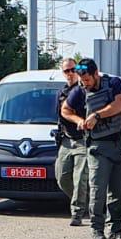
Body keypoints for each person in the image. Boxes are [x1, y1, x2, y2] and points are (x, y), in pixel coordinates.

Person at [62, 58, 121, 239]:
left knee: (118, 191)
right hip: (97, 147)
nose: (85, 83)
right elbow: (65, 109)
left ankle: (116, 229)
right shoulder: (79, 91)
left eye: (88, 80)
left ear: (96, 73)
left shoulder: (113, 83)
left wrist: (97, 115)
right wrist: (78, 121)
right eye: (82, 80)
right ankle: (97, 229)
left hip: (116, 144)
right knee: (98, 191)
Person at [54, 58, 90, 228]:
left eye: (72, 70)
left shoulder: (85, 89)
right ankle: (87, 200)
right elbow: (59, 117)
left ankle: (77, 213)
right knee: (61, 177)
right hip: (67, 140)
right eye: (66, 71)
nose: (69, 73)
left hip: (82, 139)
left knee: (80, 177)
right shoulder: (61, 93)